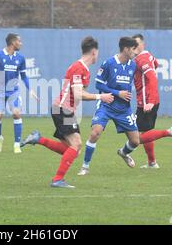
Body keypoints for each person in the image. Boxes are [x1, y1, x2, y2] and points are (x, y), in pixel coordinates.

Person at [20, 36, 114, 188]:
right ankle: (57, 180)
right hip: (63, 110)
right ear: (94, 52)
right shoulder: (79, 67)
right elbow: (78, 94)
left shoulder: (81, 67)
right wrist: (100, 96)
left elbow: (75, 92)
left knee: (71, 149)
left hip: (64, 109)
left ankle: (39, 139)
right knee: (76, 144)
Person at [77, 37, 140, 176]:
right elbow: (98, 84)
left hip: (124, 109)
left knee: (135, 141)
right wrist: (118, 93)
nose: (135, 52)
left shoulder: (133, 65)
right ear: (126, 49)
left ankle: (123, 153)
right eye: (133, 49)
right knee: (95, 133)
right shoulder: (109, 63)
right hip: (107, 105)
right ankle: (85, 166)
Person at [132, 34, 172, 169]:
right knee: (146, 132)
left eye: (137, 44)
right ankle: (152, 163)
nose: (135, 47)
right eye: (133, 45)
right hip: (152, 100)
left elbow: (153, 79)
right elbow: (156, 64)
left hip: (146, 102)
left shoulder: (141, 59)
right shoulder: (148, 56)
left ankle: (169, 132)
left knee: (136, 138)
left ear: (142, 44)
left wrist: (149, 100)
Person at [0, 33, 38, 154]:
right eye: (19, 41)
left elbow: (24, 76)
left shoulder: (21, 58)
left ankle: (16, 144)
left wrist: (30, 89)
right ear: (13, 42)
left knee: (16, 113)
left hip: (14, 91)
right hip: (0, 91)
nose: (21, 43)